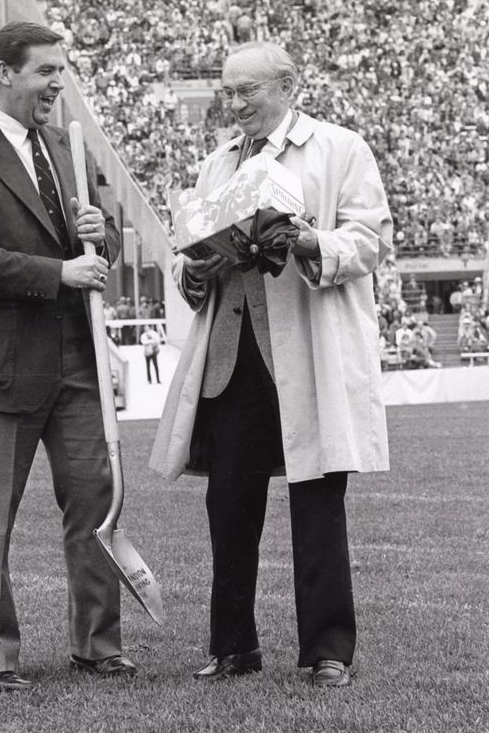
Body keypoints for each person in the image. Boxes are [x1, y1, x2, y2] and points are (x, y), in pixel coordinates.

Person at [150, 41, 392, 687]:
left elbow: (370, 238)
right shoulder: (216, 164)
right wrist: (192, 270)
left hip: (307, 348)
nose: (235, 104)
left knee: (317, 503)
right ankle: (234, 646)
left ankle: (328, 649)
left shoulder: (340, 148)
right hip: (233, 357)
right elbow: (188, 253)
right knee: (229, 505)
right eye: (227, 92)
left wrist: (309, 239)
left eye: (247, 91)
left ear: (288, 85)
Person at [0, 21, 136, 693]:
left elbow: (104, 257)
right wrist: (60, 272)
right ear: (4, 73)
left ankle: (98, 644)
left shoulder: (67, 150)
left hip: (77, 362)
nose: (57, 83)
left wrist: (106, 239)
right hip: (2, 365)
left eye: (61, 70)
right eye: (46, 70)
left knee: (94, 507)